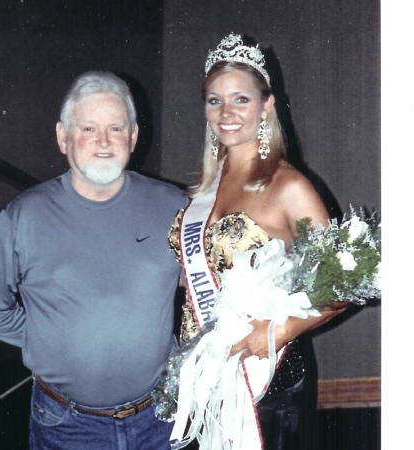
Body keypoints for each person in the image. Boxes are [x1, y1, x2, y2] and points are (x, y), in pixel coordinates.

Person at [0, 71, 187, 449]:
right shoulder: (24, 217)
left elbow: (202, 287)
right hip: (66, 425)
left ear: (133, 137)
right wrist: (44, 338)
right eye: (88, 128)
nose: (103, 142)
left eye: (116, 129)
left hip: (161, 416)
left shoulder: (174, 206)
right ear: (63, 137)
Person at [168, 34, 348, 449]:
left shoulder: (289, 186)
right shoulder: (204, 188)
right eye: (214, 100)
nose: (226, 113)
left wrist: (277, 333)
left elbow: (342, 288)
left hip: (264, 375)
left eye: (241, 99)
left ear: (266, 104)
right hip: (205, 374)